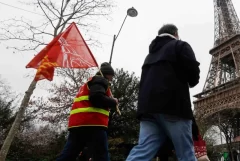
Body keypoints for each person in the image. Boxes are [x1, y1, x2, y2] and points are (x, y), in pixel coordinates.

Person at [126, 24, 200, 161]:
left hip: (148, 110)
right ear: (176, 33)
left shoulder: (149, 56)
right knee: (186, 153)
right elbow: (193, 74)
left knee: (142, 151)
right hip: (173, 106)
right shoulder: (180, 45)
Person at [56, 62, 118, 161]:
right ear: (108, 74)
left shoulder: (89, 83)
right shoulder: (100, 80)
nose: (112, 78)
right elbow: (96, 97)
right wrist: (113, 102)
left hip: (77, 124)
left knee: (68, 155)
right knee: (102, 155)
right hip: (93, 123)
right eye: (112, 76)